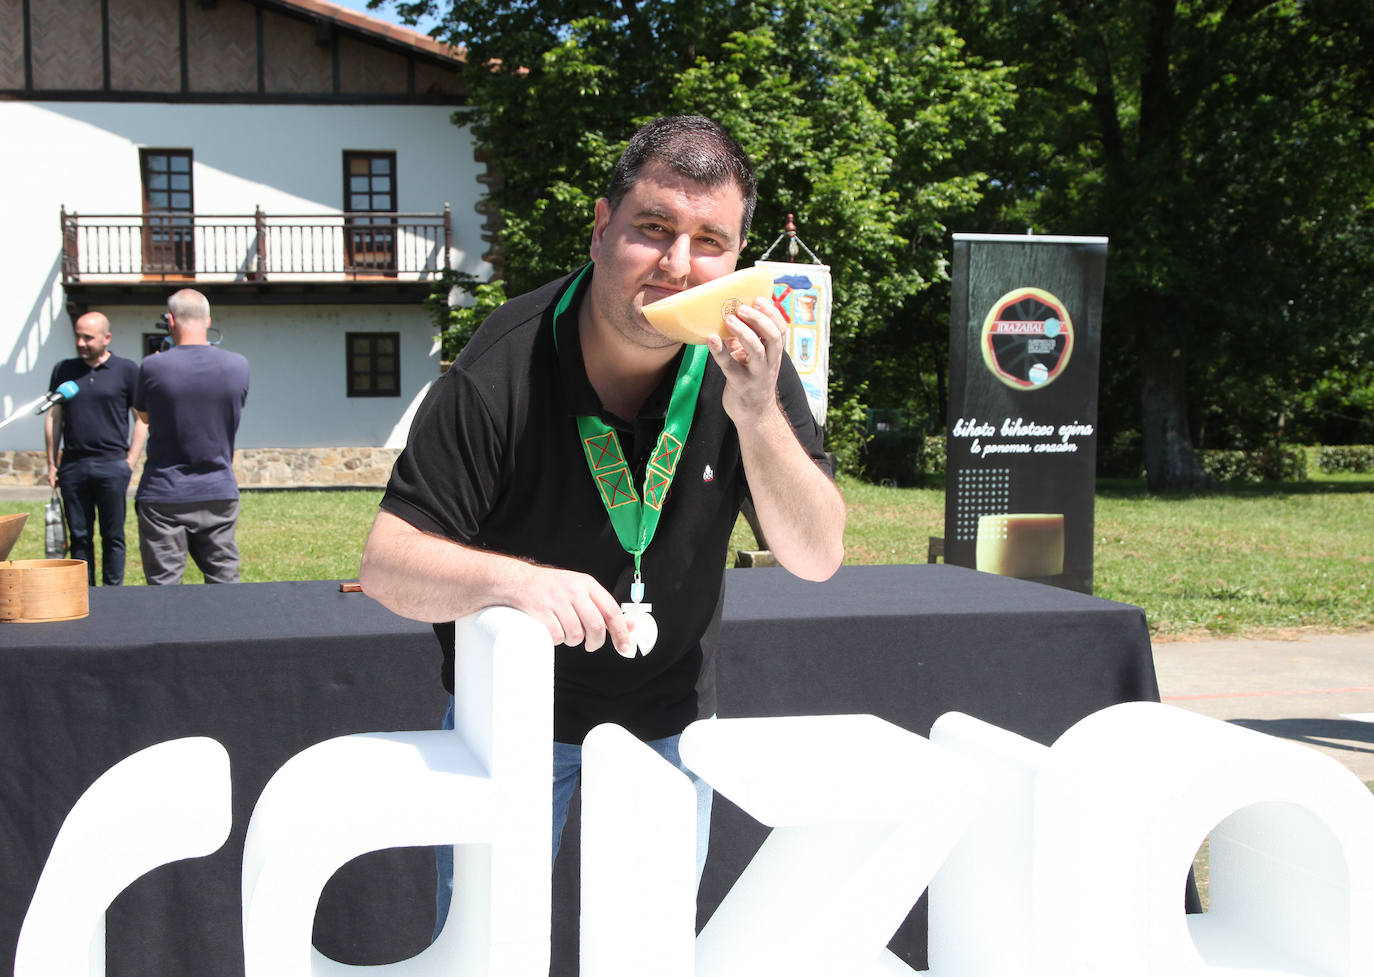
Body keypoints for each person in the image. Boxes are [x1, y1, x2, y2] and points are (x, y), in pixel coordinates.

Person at [359, 115, 845, 896]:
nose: (679, 266)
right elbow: (387, 565)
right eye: (654, 229)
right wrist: (518, 583)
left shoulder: (747, 362)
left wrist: (758, 414)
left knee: (647, 954)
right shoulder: (504, 361)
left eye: (710, 241)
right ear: (600, 227)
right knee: (487, 948)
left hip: (669, 718)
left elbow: (817, 555)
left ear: (736, 258)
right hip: (511, 719)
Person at [134, 289, 251, 585]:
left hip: (164, 492)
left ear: (170, 320)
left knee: (164, 588)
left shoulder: (152, 367)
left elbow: (144, 417)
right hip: (218, 489)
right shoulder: (237, 365)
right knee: (225, 582)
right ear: (208, 320)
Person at [44, 311, 147, 586]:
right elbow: (54, 417)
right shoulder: (64, 370)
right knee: (79, 536)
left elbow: (141, 419)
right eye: (78, 336)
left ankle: (113, 595)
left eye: (88, 337)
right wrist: (52, 464)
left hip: (112, 465)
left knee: (113, 536)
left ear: (106, 338)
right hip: (73, 466)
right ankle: (83, 592)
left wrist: (130, 460)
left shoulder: (126, 370)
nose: (81, 343)